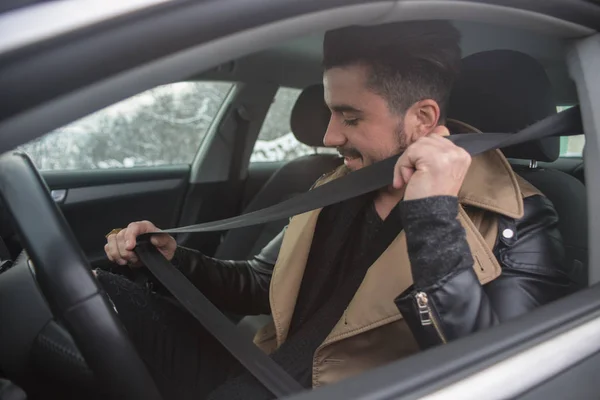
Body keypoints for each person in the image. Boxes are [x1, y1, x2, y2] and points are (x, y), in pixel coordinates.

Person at [98, 21, 572, 400]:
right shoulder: (344, 184)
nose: (329, 136)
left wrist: (433, 213)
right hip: (263, 368)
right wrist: (173, 258)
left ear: (423, 118)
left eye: (350, 117)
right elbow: (267, 284)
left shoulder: (520, 219)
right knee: (95, 297)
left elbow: (496, 372)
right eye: (330, 113)